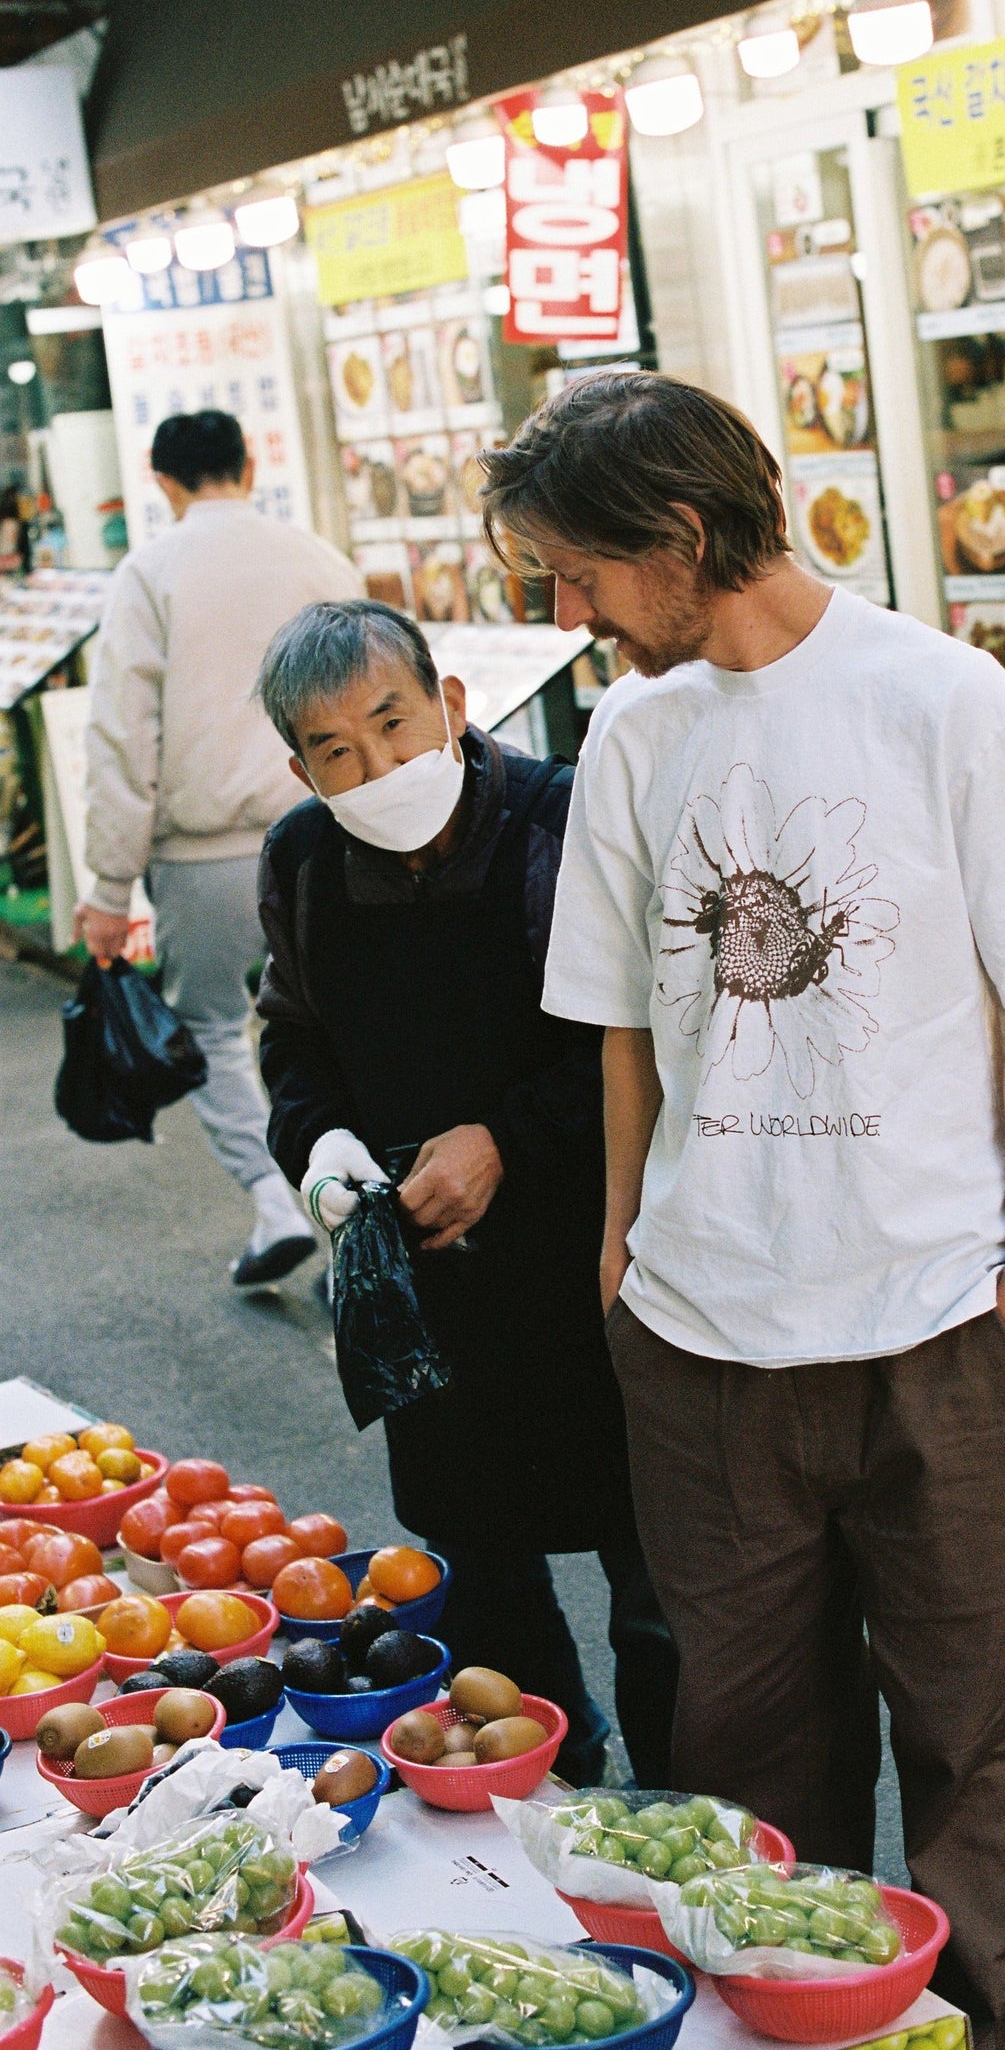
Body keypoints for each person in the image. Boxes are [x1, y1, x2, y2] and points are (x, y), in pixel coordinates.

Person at [480, 373, 1005, 2050]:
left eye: (579, 574)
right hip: (702, 1334)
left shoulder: (939, 700)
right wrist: (622, 1239)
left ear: (680, 540)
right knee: (755, 1748)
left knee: (978, 1734)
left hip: (940, 1320)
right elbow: (621, 1021)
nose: (569, 613)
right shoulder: (631, 731)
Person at [251, 598, 677, 1787]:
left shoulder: (565, 819)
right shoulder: (301, 861)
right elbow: (292, 1037)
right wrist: (322, 1138)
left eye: (394, 723)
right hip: (430, 1288)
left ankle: (680, 1809)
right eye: (339, 751)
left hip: (606, 1260)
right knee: (482, 1576)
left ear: (449, 701)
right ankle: (547, 1784)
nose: (378, 765)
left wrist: (503, 1135)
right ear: (303, 767)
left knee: (661, 1577)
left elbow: (639, 1034)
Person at [77, 409, 360, 1286]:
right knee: (346, 1025)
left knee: (206, 1025)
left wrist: (111, 884)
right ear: (250, 461)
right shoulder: (318, 557)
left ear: (162, 481)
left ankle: (277, 1200)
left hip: (204, 855)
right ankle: (358, 1210)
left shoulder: (150, 571)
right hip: (331, 837)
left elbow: (125, 731)